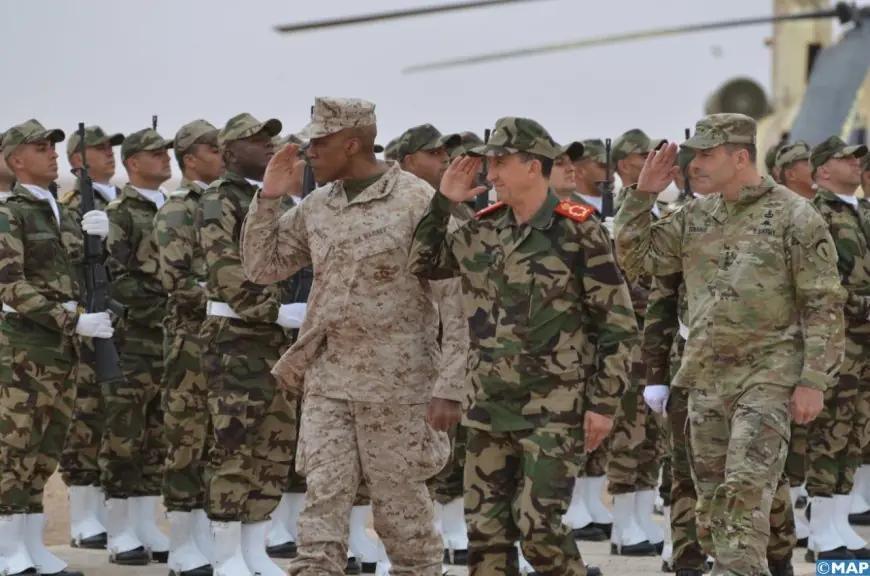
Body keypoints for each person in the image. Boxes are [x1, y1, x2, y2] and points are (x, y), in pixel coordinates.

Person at [240, 96, 466, 576]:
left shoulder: (418, 202)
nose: (309, 154)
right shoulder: (319, 205)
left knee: (401, 510)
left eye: (318, 143)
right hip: (329, 379)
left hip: (400, 386)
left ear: (351, 143)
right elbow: (262, 266)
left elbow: (456, 302)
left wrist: (451, 385)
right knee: (322, 499)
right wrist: (269, 197)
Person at [614, 113, 845, 575]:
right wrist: (642, 195)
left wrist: (814, 380)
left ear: (740, 157)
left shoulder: (795, 216)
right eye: (693, 155)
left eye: (706, 154)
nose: (694, 164)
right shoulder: (695, 216)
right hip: (705, 381)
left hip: (767, 380)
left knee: (742, 496)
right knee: (713, 506)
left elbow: (822, 303)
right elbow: (635, 258)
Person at [408, 116, 638, 576]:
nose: (490, 174)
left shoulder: (579, 231)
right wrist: (443, 203)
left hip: (553, 408)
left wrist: (603, 405)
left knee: (539, 528)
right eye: (489, 164)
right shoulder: (483, 229)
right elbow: (423, 263)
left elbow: (617, 325)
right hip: (489, 406)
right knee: (486, 534)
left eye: (500, 163)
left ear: (533, 166)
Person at [0, 119, 113, 576]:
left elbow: (84, 273)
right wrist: (72, 319)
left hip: (62, 348)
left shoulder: (61, 212)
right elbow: (10, 285)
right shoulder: (10, 213)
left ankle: (32, 546)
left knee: (45, 450)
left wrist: (102, 240)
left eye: (52, 146)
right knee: (14, 448)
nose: (51, 153)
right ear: (16, 160)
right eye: (39, 147)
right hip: (24, 348)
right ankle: (6, 551)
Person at [197, 112, 298, 576]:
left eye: (269, 139)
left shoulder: (276, 200)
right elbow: (224, 269)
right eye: (256, 141)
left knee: (274, 446)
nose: (267, 146)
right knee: (234, 444)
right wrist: (272, 310)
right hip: (237, 338)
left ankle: (255, 548)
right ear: (230, 152)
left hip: (278, 341)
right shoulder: (220, 198)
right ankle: (225, 555)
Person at [155, 119, 224, 575]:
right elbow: (178, 281)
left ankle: (207, 538)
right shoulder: (180, 209)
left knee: (218, 439)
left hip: (225, 339)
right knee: (187, 438)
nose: (222, 156)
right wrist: (233, 299)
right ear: (190, 158)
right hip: (191, 340)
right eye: (212, 149)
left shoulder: (223, 203)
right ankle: (182, 543)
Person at [103, 126, 174, 565]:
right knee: (123, 435)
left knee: (158, 435)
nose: (166, 158)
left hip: (171, 341)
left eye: (166, 151)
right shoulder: (120, 212)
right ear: (132, 162)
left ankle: (145, 522)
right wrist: (168, 301)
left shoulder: (175, 207)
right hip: (134, 340)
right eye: (155, 153)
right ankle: (118, 529)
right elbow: (115, 278)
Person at [58, 124, 124, 550]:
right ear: (77, 161)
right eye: (98, 149)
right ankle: (84, 517)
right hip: (88, 320)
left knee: (117, 418)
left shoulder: (119, 203)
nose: (108, 154)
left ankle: (112, 513)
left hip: (122, 321)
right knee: (86, 417)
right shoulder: (71, 207)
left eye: (110, 148)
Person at [804, 135, 870, 561]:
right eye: (846, 159)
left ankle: (840, 524)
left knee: (855, 432)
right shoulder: (816, 216)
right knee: (828, 433)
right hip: (835, 342)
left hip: (864, 344)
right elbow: (818, 286)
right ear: (824, 170)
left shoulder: (861, 212)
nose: (856, 164)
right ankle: (819, 533)